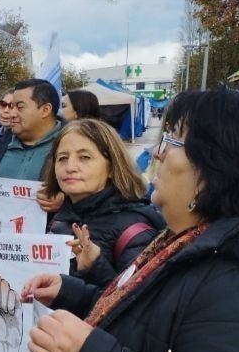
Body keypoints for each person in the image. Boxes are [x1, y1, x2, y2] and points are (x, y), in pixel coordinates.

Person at [23, 88, 239, 352]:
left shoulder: (228, 278)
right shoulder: (177, 242)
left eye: (174, 140)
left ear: (212, 167)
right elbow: (143, 324)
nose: (158, 152)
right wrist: (70, 292)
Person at [43, 119, 165, 286]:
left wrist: (95, 266)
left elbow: (135, 303)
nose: (70, 167)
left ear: (112, 167)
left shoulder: (135, 231)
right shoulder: (59, 219)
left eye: (84, 157)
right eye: (62, 158)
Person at [0, 78, 65, 215]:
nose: (12, 114)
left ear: (45, 110)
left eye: (19, 107)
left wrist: (65, 200)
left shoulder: (72, 147)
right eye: (11, 106)